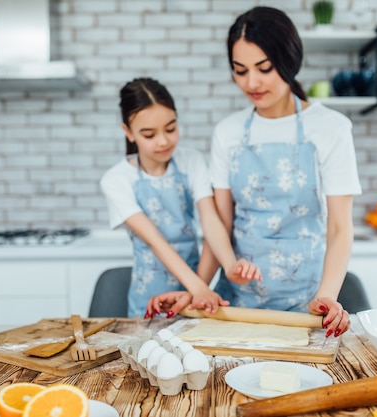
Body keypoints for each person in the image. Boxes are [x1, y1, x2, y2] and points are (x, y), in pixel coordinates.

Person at [147, 7, 361, 337]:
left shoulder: (331, 128)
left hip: (305, 305)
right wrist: (199, 288)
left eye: (264, 68)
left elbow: (339, 227)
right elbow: (220, 224)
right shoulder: (228, 132)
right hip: (238, 306)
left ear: (289, 60)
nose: (252, 83)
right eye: (240, 70)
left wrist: (326, 297)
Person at [100, 77, 261, 318]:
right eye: (149, 134)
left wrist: (227, 266)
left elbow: (211, 220)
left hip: (197, 293)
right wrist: (198, 289)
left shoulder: (191, 161)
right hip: (150, 301)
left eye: (171, 128)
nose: (163, 141)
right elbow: (156, 241)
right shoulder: (117, 179)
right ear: (129, 133)